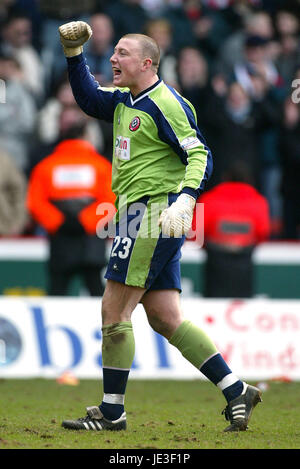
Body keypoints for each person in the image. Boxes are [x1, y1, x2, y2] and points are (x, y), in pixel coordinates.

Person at [58, 20, 262, 433]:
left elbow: (200, 153)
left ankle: (112, 411)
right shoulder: (122, 100)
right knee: (166, 317)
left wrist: (186, 198)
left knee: (114, 311)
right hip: (138, 211)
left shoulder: (167, 103)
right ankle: (236, 389)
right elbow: (87, 98)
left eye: (122, 54)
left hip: (153, 213)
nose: (113, 59)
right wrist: (74, 55)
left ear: (147, 63)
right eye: (112, 52)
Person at [26, 122, 115, 296]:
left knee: (57, 291)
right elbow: (111, 201)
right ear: (84, 137)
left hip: (60, 238)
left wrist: (58, 222)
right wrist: (85, 221)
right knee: (96, 292)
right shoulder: (101, 166)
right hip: (91, 239)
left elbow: (35, 202)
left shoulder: (46, 166)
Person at [193, 161, 271, 298]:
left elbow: (194, 233)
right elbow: (263, 232)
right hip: (244, 264)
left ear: (225, 178)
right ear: (249, 180)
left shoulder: (208, 199)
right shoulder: (259, 201)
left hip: (215, 265)